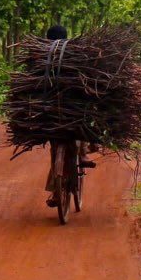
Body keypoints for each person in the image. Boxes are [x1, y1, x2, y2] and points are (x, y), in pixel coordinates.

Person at [42, 24, 98, 207]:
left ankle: (81, 155)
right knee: (81, 121)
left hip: (53, 112)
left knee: (77, 126)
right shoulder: (76, 56)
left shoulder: (41, 57)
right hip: (57, 112)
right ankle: (82, 155)